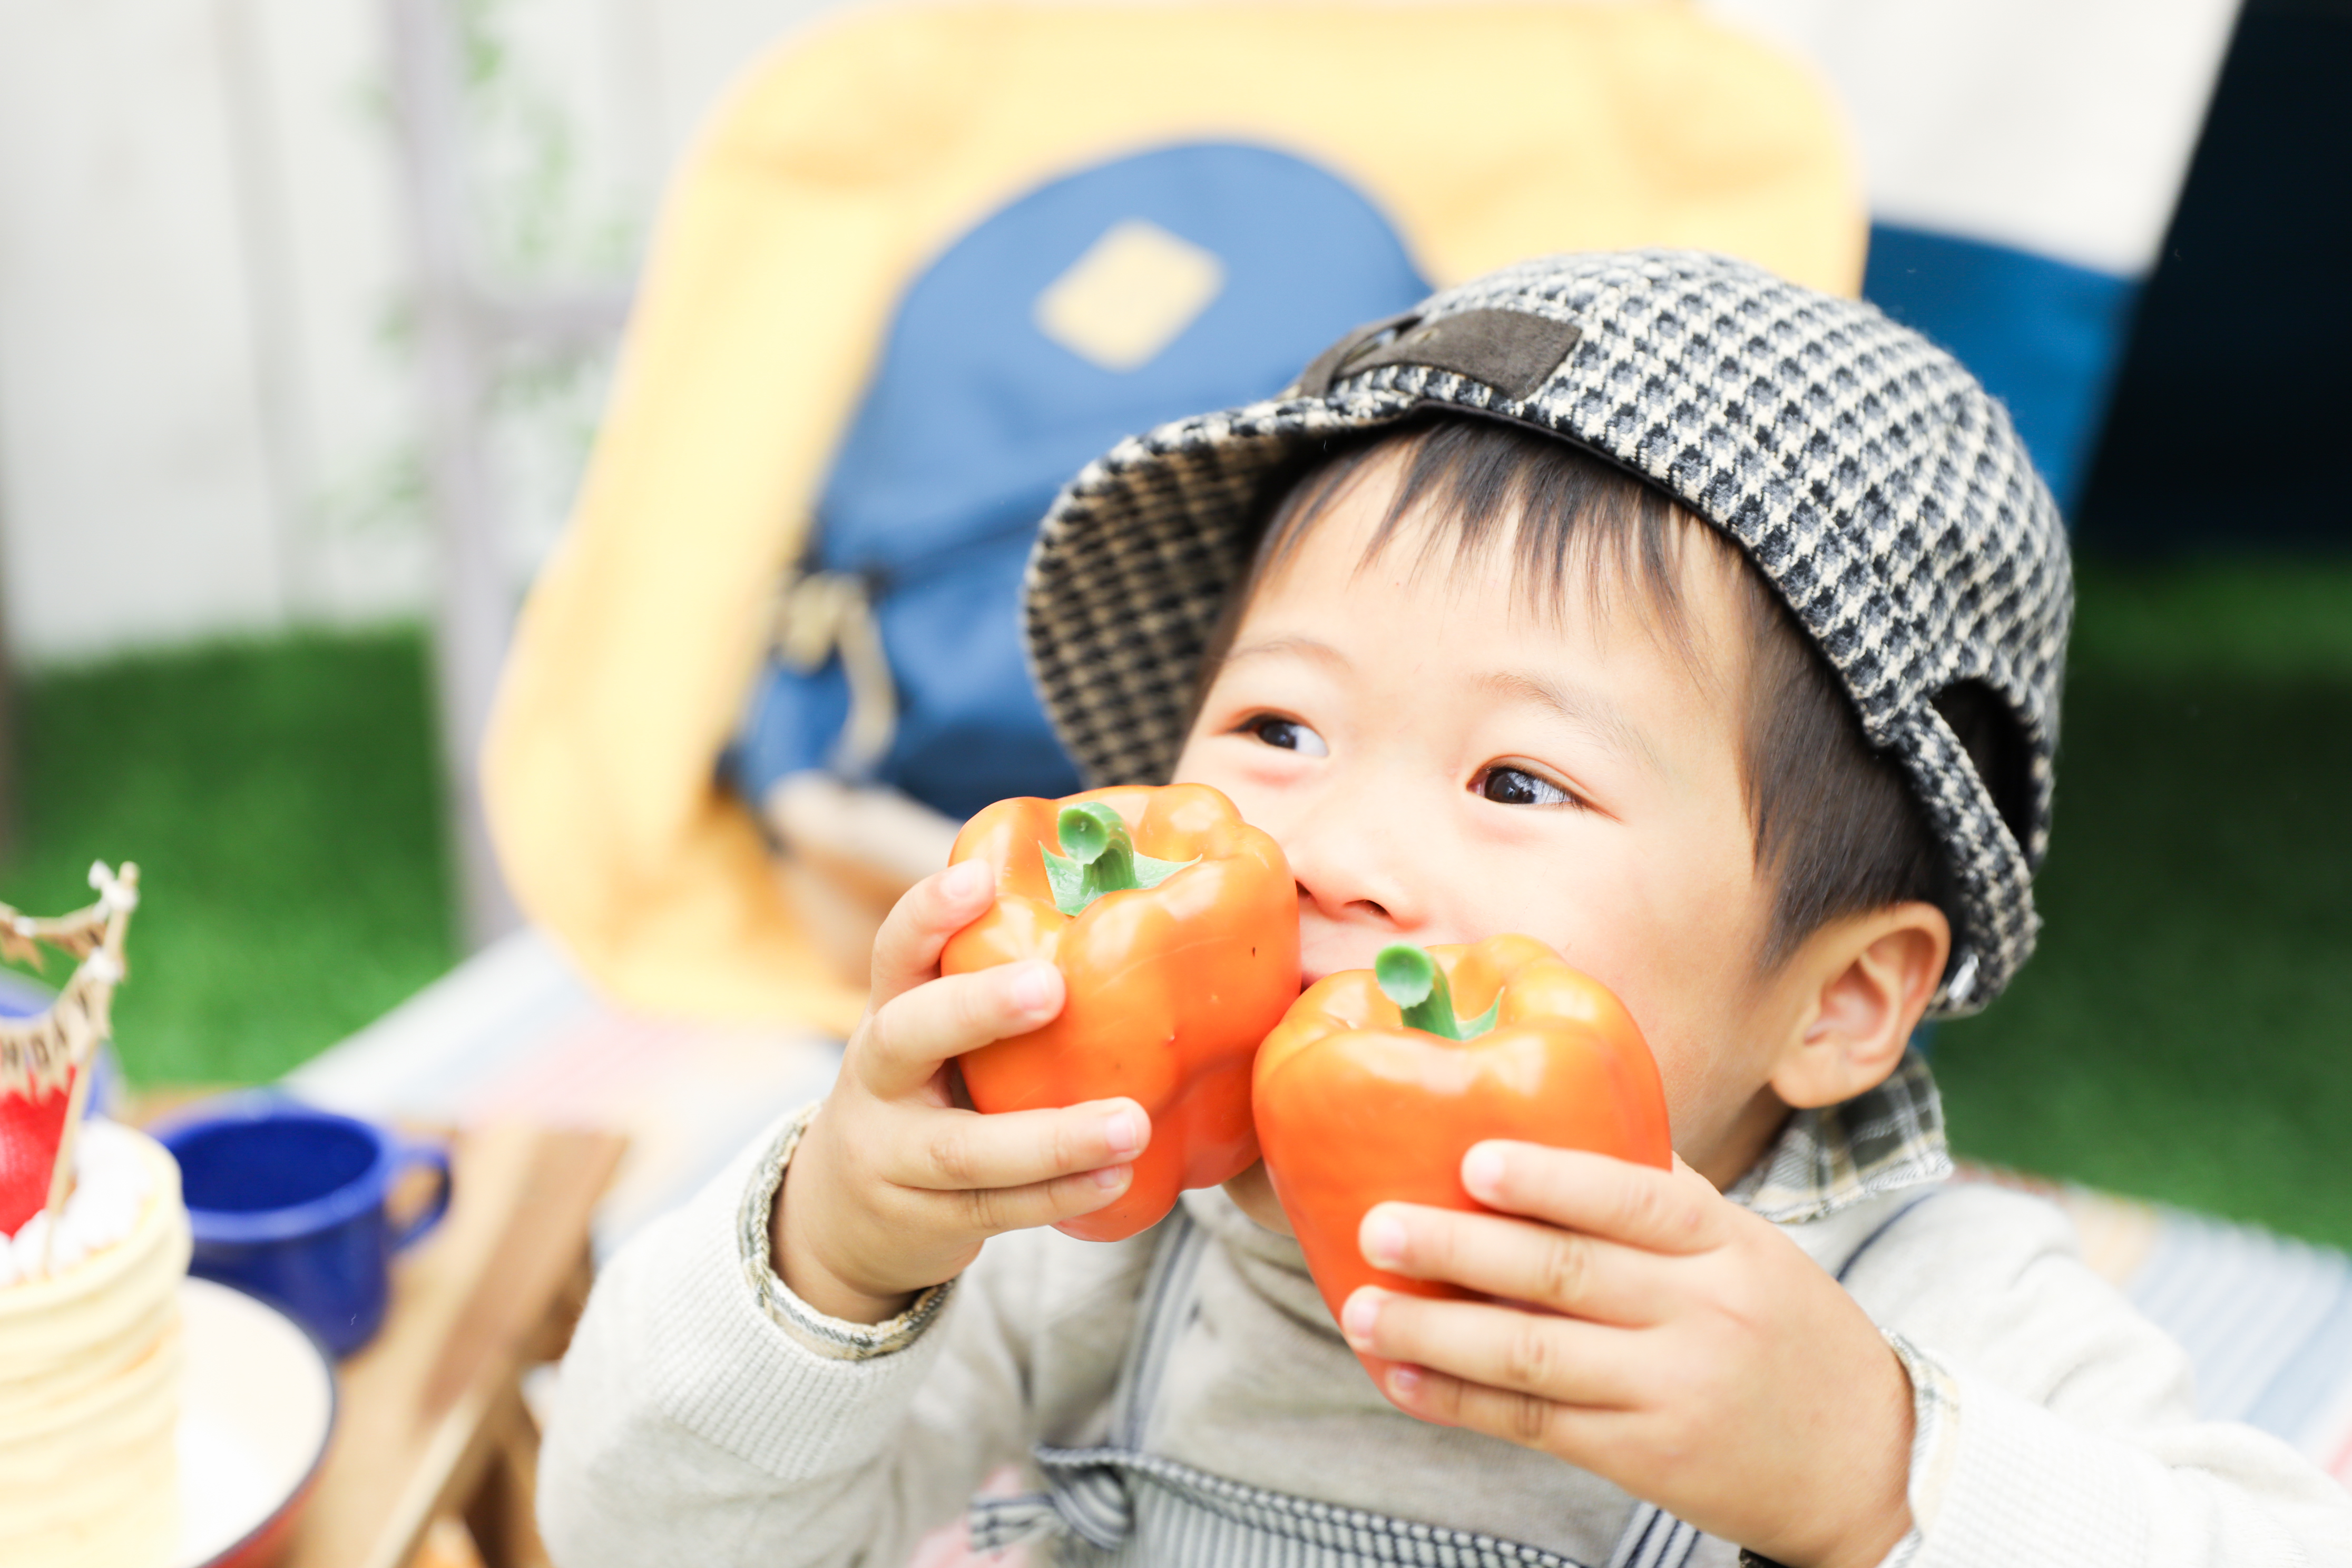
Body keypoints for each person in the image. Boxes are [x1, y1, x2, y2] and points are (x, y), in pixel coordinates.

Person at [537, 252, 2352, 1566]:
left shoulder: (1928, 1313)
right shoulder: (1098, 1235)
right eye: (1278, 725)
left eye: (1515, 783)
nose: (1326, 848)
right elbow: (636, 1532)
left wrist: (1878, 1477)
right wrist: (838, 1253)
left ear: (1842, 1002)